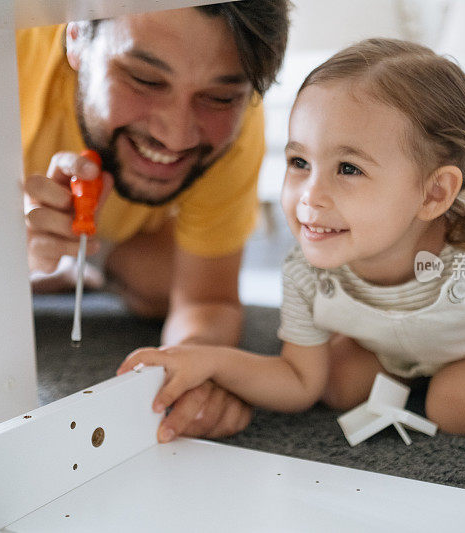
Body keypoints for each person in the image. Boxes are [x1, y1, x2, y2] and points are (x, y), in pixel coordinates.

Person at [118, 38, 465, 449]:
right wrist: (207, 359)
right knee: (334, 383)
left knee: (459, 405)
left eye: (348, 169)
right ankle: (409, 363)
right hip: (411, 347)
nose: (309, 196)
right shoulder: (308, 272)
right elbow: (298, 382)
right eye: (299, 162)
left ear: (433, 193)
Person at [17, 2, 290, 442]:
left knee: (167, 279)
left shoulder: (242, 126)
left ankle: (82, 261)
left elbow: (208, 301)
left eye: (220, 98)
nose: (176, 135)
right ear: (75, 39)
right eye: (144, 79)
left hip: (119, 241)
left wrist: (194, 363)